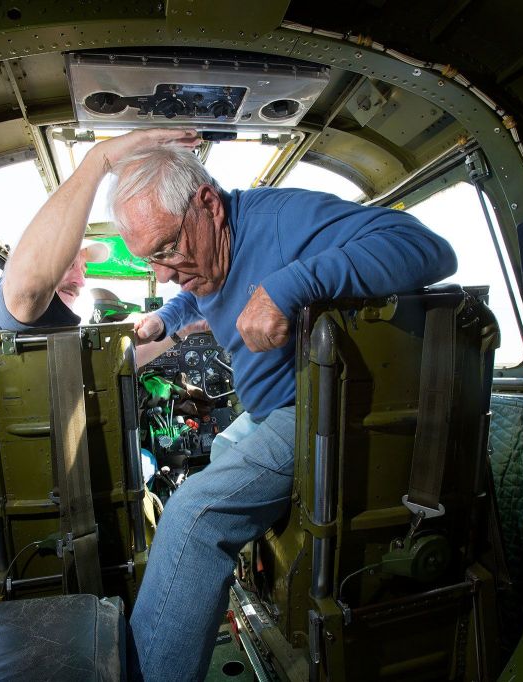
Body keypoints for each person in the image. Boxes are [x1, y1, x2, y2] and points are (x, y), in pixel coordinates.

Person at [108, 141, 458, 680]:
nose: (163, 272)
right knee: (219, 453)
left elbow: (427, 248)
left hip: (309, 412)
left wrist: (288, 287)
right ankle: (244, 584)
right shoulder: (204, 257)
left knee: (192, 516)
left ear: (209, 204)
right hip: (263, 412)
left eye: (167, 249)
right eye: (148, 260)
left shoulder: (281, 220)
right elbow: (196, 294)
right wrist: (165, 318)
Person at [0, 128, 203, 491]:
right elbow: (27, 290)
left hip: (71, 487)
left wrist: (185, 329)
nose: (80, 279)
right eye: (71, 263)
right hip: (2, 497)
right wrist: (99, 161)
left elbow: (115, 363)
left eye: (84, 267)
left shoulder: (60, 330)